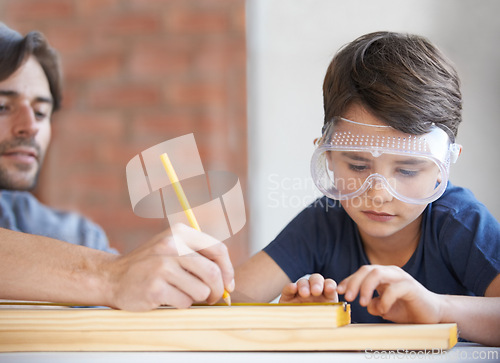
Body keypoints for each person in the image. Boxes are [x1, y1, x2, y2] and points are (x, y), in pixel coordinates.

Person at [234, 31, 500, 346]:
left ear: (443, 168)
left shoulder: (460, 223)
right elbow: (228, 302)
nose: (378, 194)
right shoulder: (324, 221)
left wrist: (440, 309)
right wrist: (293, 320)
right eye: (359, 167)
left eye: (407, 169)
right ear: (329, 156)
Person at [0, 22, 234, 310]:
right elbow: (116, 277)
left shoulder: (78, 238)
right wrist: (110, 276)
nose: (30, 127)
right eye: (2, 107)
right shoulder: (98, 261)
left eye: (40, 112)